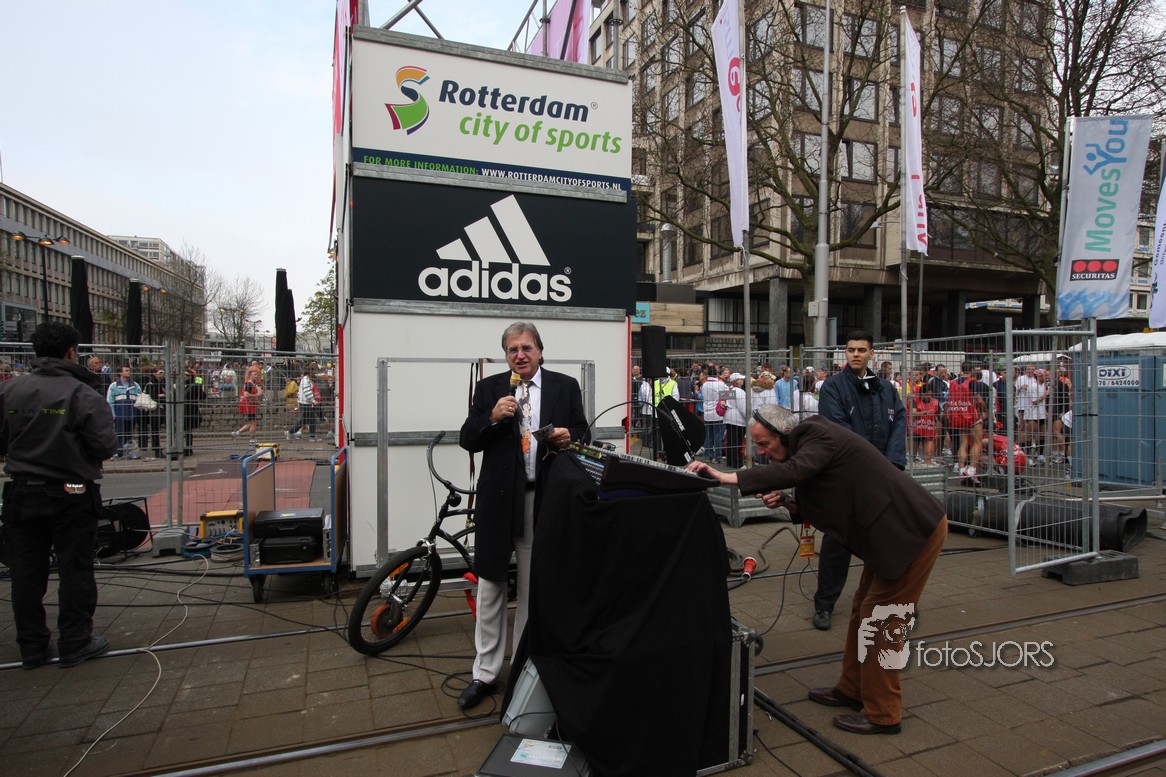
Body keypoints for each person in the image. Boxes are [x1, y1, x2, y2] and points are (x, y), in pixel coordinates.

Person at [688, 404, 946, 735]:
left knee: (882, 619)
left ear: (785, 434)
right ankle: (852, 688)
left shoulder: (815, 434)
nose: (761, 452)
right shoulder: (809, 448)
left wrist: (727, 477)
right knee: (862, 610)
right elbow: (827, 493)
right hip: (890, 534)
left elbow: (797, 471)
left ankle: (884, 713)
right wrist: (787, 502)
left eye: (764, 444)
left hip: (911, 531)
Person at [457, 321, 588, 709]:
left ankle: (523, 668)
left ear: (540, 351)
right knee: (491, 585)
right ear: (506, 355)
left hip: (541, 499)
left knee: (534, 587)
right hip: (499, 501)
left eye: (527, 348)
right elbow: (468, 438)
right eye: (512, 349)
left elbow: (584, 432)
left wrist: (570, 437)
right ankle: (484, 673)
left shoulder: (565, 386)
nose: (520, 355)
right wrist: (492, 417)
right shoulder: (490, 388)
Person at [0, 322, 117, 669]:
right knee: (75, 568)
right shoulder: (82, 394)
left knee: (25, 573)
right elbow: (105, 445)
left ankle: (32, 648)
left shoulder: (9, 391)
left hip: (22, 490)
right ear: (71, 352)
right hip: (72, 490)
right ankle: (75, 642)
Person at [814, 330, 907, 631]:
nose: (856, 354)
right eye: (851, 350)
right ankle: (824, 604)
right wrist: (873, 464)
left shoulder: (886, 389)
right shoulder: (833, 387)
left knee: (885, 540)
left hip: (883, 477)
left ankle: (889, 600)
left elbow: (899, 423)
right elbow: (838, 430)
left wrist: (891, 465)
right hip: (849, 477)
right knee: (838, 541)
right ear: (845, 353)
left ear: (871, 354)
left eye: (861, 350)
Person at [106, 365, 142, 459]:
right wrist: (112, 414)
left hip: (132, 413)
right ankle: (118, 452)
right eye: (126, 370)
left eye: (129, 370)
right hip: (120, 414)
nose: (129, 372)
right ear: (120, 373)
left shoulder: (135, 385)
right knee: (119, 433)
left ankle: (128, 452)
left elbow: (140, 398)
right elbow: (110, 401)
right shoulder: (114, 386)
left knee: (129, 433)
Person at [700, 368, 727, 462]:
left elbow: (703, 396)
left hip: (707, 413)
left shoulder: (704, 385)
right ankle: (718, 456)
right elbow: (728, 394)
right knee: (718, 435)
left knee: (708, 435)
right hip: (717, 413)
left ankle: (708, 456)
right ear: (717, 374)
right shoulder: (720, 384)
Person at [140, 366, 167, 459]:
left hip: (162, 408)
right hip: (154, 410)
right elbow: (154, 397)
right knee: (155, 430)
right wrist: (163, 396)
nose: (162, 374)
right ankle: (156, 449)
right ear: (154, 374)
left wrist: (162, 395)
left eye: (163, 372)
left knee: (159, 429)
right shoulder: (151, 384)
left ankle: (159, 447)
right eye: (160, 372)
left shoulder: (163, 383)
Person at [722, 372, 748, 469]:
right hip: (738, 419)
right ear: (736, 381)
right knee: (737, 442)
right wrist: (748, 417)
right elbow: (743, 407)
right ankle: (737, 463)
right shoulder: (739, 391)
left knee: (730, 441)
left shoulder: (729, 390)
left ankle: (730, 461)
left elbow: (724, 401)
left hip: (728, 418)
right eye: (740, 379)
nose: (742, 381)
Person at [285, 368, 319, 440]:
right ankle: (312, 437)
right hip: (306, 403)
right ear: (309, 373)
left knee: (304, 421)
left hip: (304, 403)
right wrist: (313, 400)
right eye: (312, 372)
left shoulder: (305, 380)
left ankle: (290, 431)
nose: (313, 374)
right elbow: (307, 391)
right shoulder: (306, 380)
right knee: (311, 420)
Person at [232, 367, 264, 442]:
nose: (256, 376)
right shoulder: (249, 384)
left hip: (251, 405)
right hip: (249, 405)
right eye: (254, 375)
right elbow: (246, 395)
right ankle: (252, 439)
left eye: (256, 374)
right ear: (250, 376)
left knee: (252, 422)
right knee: (253, 422)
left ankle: (236, 433)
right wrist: (257, 394)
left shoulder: (252, 384)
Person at [182, 366, 204, 456]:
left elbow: (202, 395)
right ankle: (182, 448)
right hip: (181, 410)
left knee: (188, 431)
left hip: (190, 410)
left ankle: (189, 448)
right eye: (184, 375)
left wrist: (199, 382)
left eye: (187, 375)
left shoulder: (194, 385)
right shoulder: (181, 385)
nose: (185, 376)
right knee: (182, 430)